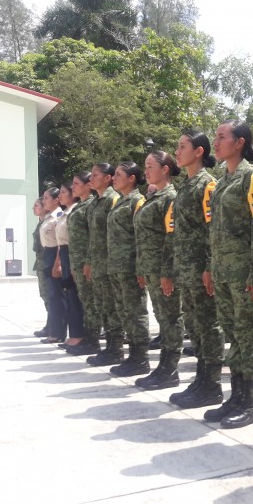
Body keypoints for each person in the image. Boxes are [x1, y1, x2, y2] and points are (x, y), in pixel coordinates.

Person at [202, 120, 253, 428]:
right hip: (224, 271)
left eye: (221, 137)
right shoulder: (221, 180)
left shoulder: (252, 176)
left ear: (239, 142)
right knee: (233, 335)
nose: (216, 141)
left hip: (244, 272)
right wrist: (211, 267)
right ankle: (235, 397)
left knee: (247, 335)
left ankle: (250, 402)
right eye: (215, 137)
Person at [168, 129, 226, 409]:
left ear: (199, 151)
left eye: (182, 147)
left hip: (201, 270)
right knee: (195, 327)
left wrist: (209, 266)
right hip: (186, 270)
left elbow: (212, 229)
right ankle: (201, 380)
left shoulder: (208, 185)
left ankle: (212, 385)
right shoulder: (187, 186)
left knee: (208, 327)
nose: (177, 152)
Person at [133, 151, 184, 390]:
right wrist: (142, 267)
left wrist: (167, 272)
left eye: (150, 166)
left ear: (165, 169)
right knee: (162, 317)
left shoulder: (169, 198)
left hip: (163, 269)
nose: (146, 170)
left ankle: (170, 368)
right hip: (151, 267)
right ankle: (163, 366)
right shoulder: (153, 197)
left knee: (171, 318)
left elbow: (171, 238)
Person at [106, 161, 151, 378]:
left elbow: (141, 236)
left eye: (118, 175)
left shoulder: (137, 201)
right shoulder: (120, 201)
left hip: (131, 266)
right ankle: (132, 355)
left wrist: (140, 267)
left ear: (131, 178)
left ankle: (141, 357)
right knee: (124, 311)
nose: (114, 178)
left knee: (136, 312)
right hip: (117, 266)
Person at [84, 163, 123, 366]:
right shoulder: (95, 202)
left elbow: (114, 235)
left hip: (110, 263)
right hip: (98, 263)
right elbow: (93, 237)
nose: (91, 178)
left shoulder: (112, 199)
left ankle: (116, 349)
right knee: (103, 307)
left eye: (96, 175)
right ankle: (109, 347)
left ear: (107, 178)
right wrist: (89, 261)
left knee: (112, 307)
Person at [65, 171, 101, 356]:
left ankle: (93, 341)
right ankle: (88, 338)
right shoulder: (80, 205)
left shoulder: (90, 206)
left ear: (88, 185)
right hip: (78, 261)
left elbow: (92, 237)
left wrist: (88, 261)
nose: (73, 187)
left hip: (88, 262)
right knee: (85, 302)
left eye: (77, 183)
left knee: (91, 303)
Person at [55, 181, 86, 348]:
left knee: (74, 296)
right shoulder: (66, 212)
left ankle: (78, 334)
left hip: (74, 253)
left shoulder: (76, 210)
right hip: (66, 253)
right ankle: (74, 333)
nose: (60, 196)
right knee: (69, 294)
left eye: (63, 192)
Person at [39, 187, 66, 344]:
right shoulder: (49, 217)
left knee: (57, 296)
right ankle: (53, 330)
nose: (44, 201)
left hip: (55, 254)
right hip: (47, 254)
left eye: (46, 198)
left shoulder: (58, 217)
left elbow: (59, 243)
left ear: (56, 200)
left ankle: (58, 333)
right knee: (51, 295)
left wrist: (58, 262)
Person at [31, 198, 51, 338]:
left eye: (36, 206)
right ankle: (51, 324)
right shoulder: (41, 222)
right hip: (41, 262)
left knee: (51, 296)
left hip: (48, 263)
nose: (33, 208)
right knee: (45, 295)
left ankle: (53, 325)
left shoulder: (50, 221)